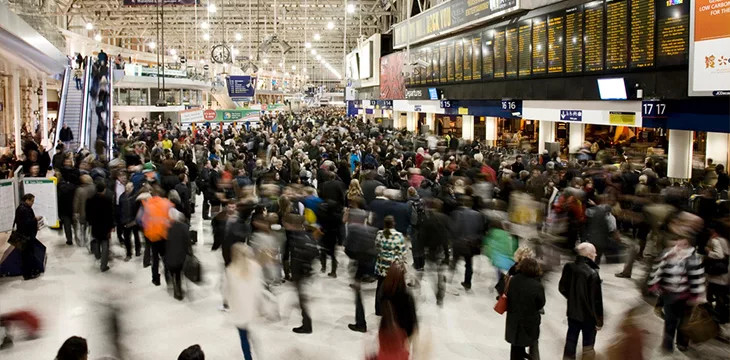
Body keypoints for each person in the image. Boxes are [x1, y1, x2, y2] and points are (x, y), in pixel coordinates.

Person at [648, 237, 706, 353]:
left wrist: (697, 296)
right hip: (669, 294)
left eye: (684, 243)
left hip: (687, 297)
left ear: (689, 245)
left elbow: (698, 277)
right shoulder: (668, 254)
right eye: (679, 242)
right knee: (670, 321)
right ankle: (667, 345)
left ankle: (682, 343)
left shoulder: (694, 258)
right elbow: (658, 270)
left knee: (684, 323)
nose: (680, 245)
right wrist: (654, 284)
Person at [559, 242, 604, 360]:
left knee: (571, 340)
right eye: (594, 254)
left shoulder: (568, 267)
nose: (596, 255)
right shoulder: (593, 273)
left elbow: (562, 288)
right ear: (589, 255)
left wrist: (573, 298)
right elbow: (596, 301)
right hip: (588, 317)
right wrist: (599, 321)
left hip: (572, 312)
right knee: (588, 345)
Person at [225, 243, 264, 360]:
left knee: (243, 336)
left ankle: (248, 357)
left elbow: (228, 292)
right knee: (250, 331)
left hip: (239, 310)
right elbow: (259, 288)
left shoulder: (230, 270)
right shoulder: (256, 267)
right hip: (252, 307)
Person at [283, 213, 318, 334]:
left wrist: (297, 272)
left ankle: (307, 325)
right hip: (303, 272)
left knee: (302, 298)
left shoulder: (298, 238)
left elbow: (301, 257)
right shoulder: (307, 235)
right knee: (301, 297)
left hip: (300, 272)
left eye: (286, 224)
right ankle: (306, 322)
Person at [505, 258, 545, 360]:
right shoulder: (537, 286)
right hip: (529, 321)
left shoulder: (513, 280)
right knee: (529, 343)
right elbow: (540, 304)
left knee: (515, 345)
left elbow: (508, 295)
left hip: (514, 319)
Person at [450, 196, 485, 290]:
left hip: (458, 243)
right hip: (471, 244)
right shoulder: (478, 215)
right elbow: (480, 230)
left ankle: (449, 279)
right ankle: (467, 283)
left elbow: (454, 228)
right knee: (469, 264)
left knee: (454, 261)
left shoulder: (456, 213)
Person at [140, 189, 174, 286]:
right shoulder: (166, 204)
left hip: (153, 237)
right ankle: (168, 275)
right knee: (165, 256)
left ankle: (155, 278)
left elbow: (144, 221)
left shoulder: (148, 206)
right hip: (164, 236)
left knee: (154, 258)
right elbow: (171, 220)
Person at [375, 216, 407, 316]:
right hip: (393, 266)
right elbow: (403, 252)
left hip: (381, 264)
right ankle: (391, 310)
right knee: (394, 288)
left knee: (380, 286)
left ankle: (378, 310)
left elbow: (376, 247)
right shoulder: (399, 236)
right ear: (394, 223)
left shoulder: (380, 234)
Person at [86, 182, 115, 272]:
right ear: (104, 189)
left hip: (95, 224)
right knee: (105, 243)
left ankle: (97, 255)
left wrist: (90, 222)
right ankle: (103, 265)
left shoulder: (90, 199)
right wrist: (112, 225)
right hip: (105, 225)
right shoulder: (107, 200)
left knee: (96, 240)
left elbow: (88, 213)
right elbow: (111, 214)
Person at [12, 194, 41, 280]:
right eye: (32, 201)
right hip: (26, 236)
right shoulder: (24, 210)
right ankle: (28, 274)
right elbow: (26, 223)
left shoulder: (21, 208)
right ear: (27, 200)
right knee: (27, 255)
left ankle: (29, 272)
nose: (33, 203)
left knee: (26, 255)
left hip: (23, 235)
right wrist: (35, 219)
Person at [165, 208, 191, 300]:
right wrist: (190, 252)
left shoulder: (167, 228)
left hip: (170, 254)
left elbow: (164, 242)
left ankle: (175, 287)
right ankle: (178, 290)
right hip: (181, 255)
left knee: (172, 272)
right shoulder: (183, 227)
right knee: (179, 273)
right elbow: (188, 241)